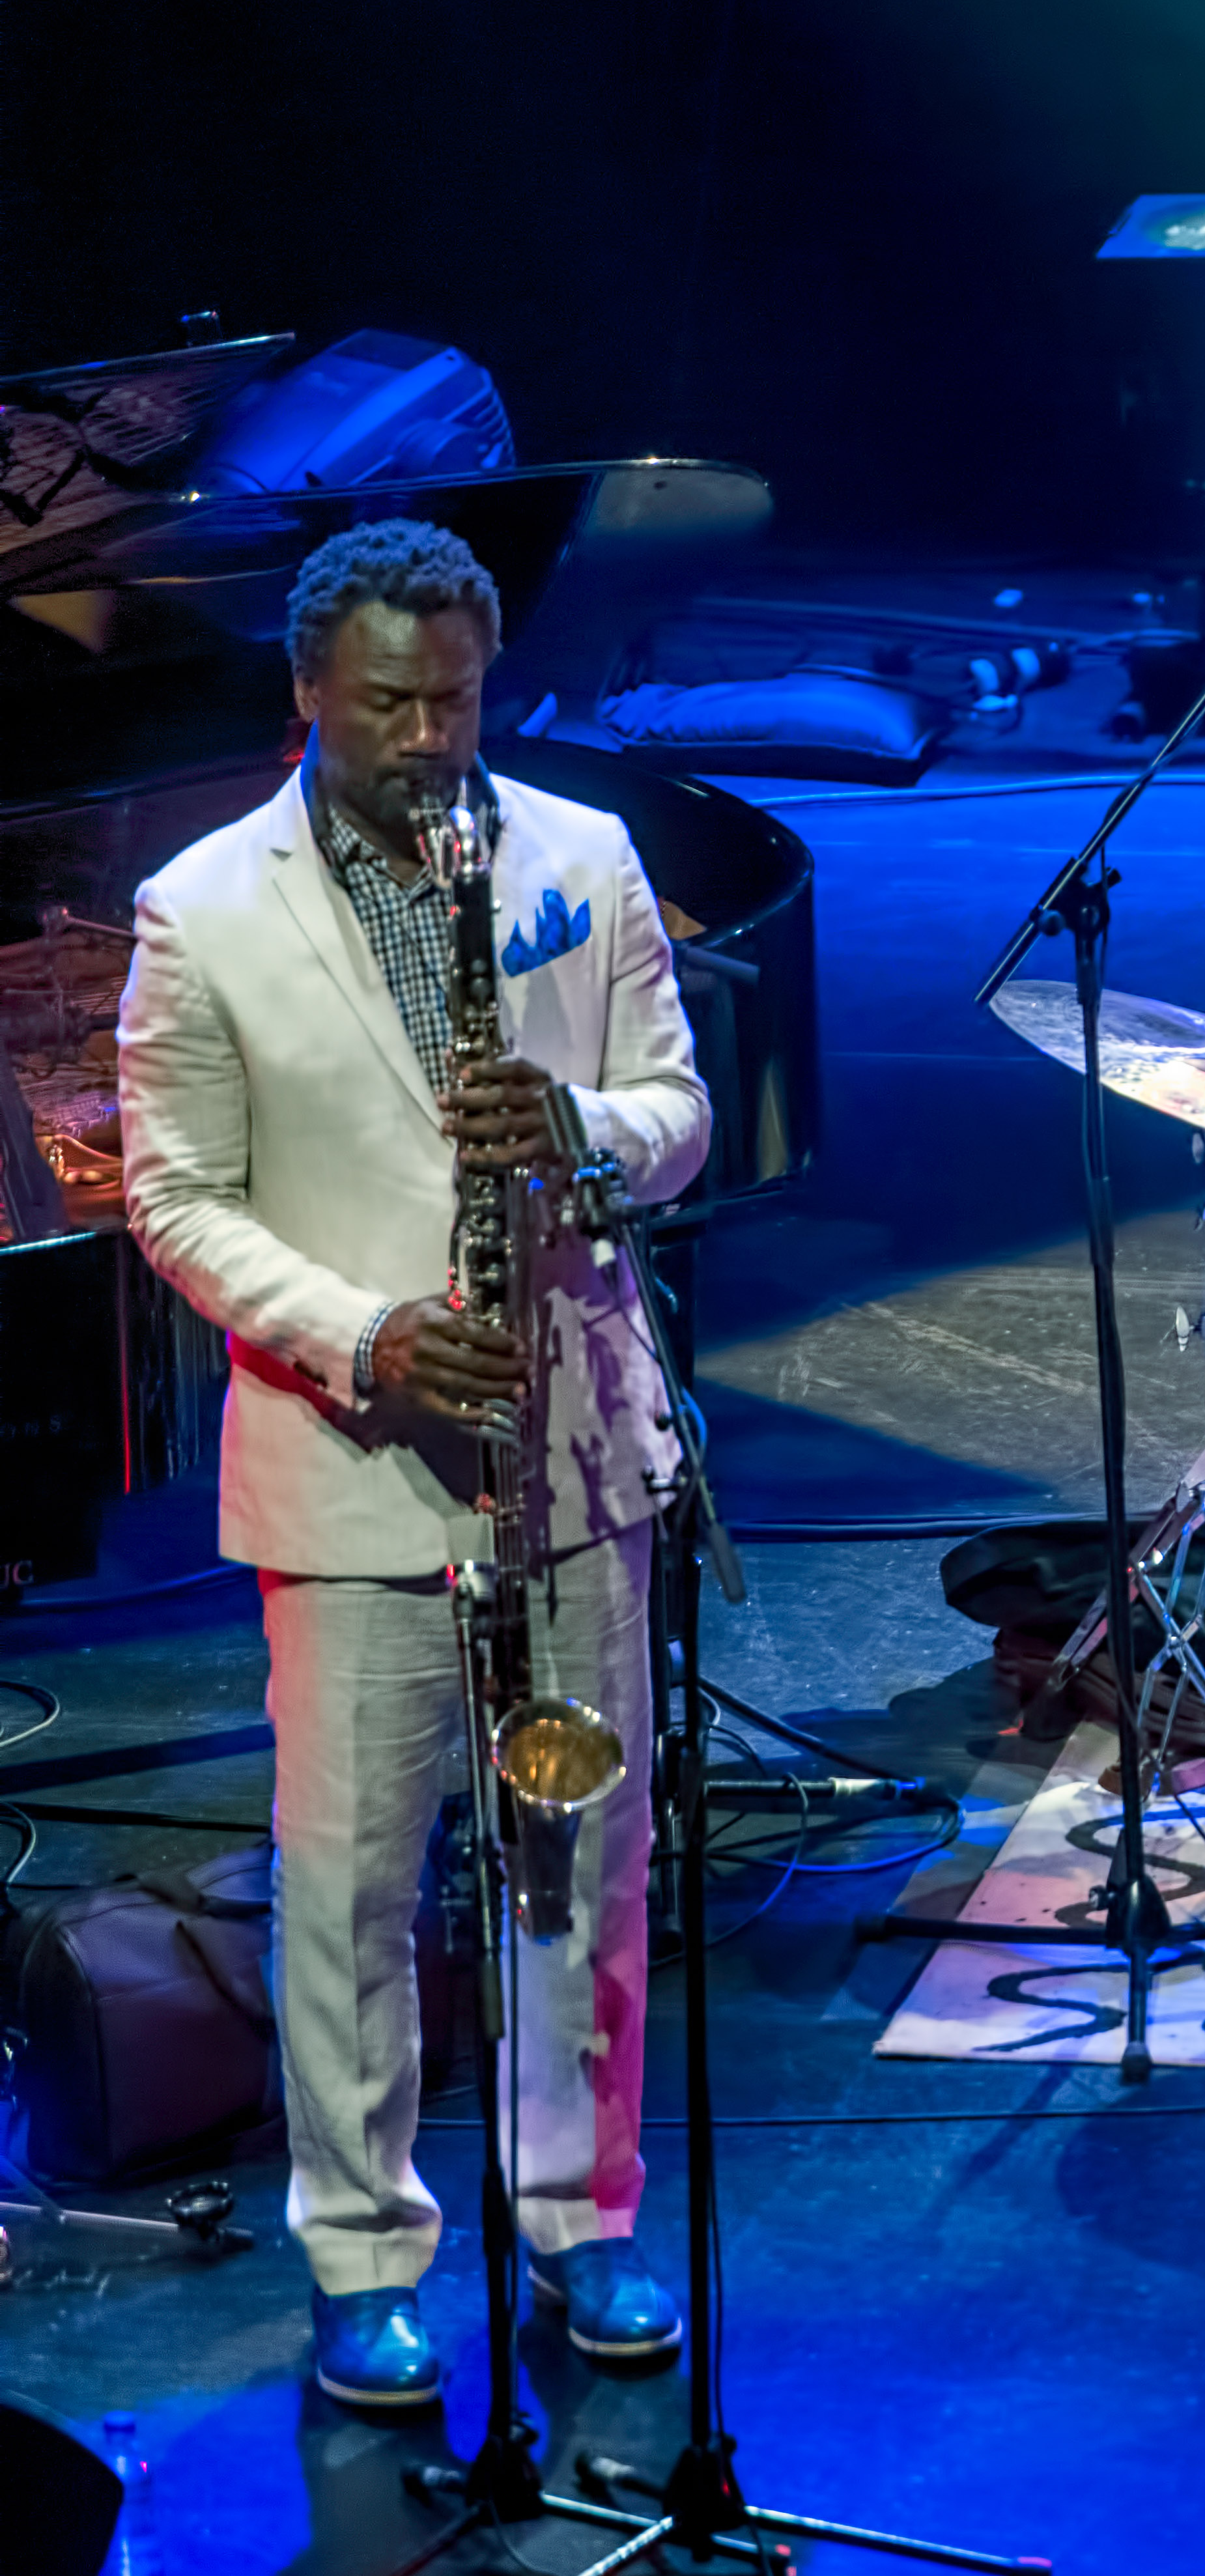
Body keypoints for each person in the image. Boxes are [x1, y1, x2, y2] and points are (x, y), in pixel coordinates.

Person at [119, 519, 713, 2407]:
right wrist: (366, 1332)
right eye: (386, 703)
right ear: (305, 692)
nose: (427, 739)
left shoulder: (580, 859)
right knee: (354, 1880)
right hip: (357, 1451)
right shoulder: (200, 908)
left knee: (578, 1857)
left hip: (567, 1454)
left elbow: (683, 1117)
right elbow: (177, 1199)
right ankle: (362, 2246)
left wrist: (577, 1125)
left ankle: (579, 2213)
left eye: (455, 699)